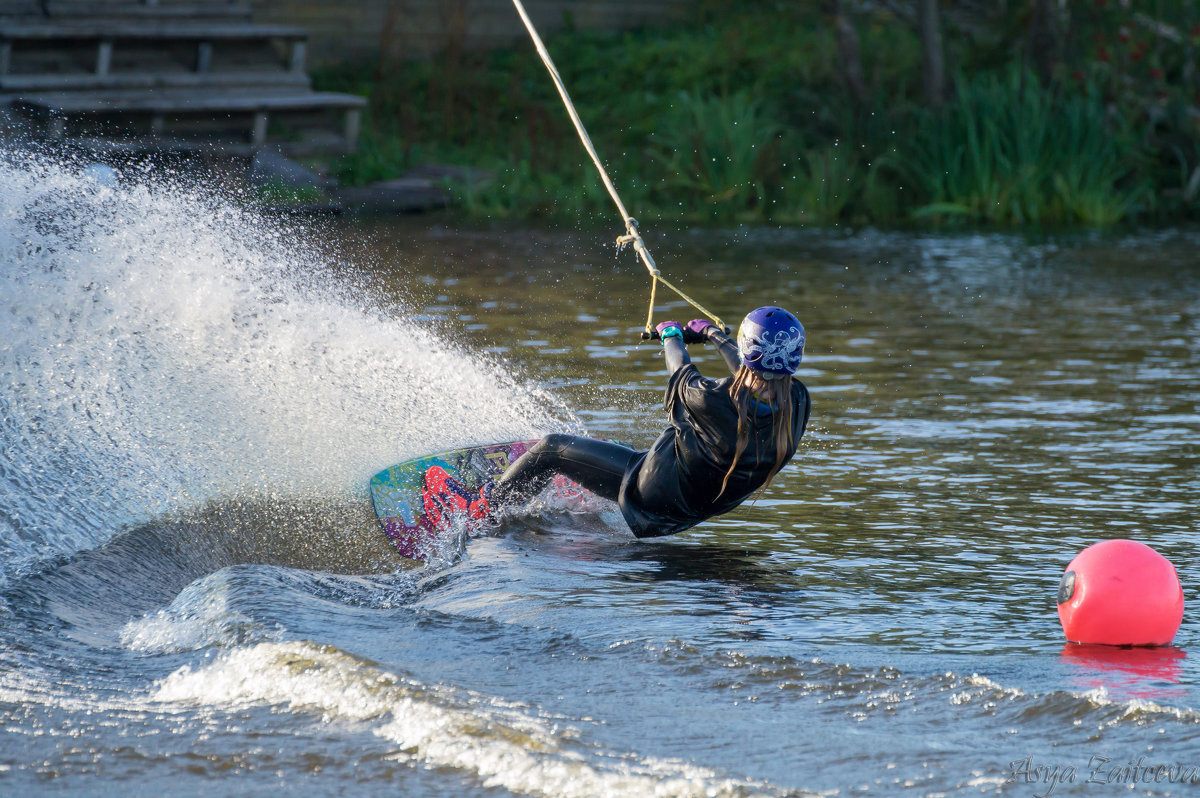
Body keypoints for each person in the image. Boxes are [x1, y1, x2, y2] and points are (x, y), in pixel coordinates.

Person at [484, 306, 812, 538]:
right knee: (626, 449)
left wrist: (670, 335)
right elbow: (753, 371)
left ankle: (489, 509)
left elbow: (681, 371)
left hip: (650, 496)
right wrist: (712, 333)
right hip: (689, 508)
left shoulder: (712, 400)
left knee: (550, 447)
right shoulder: (797, 404)